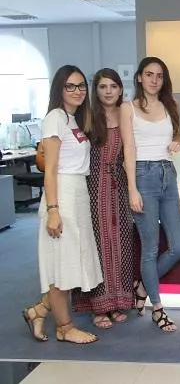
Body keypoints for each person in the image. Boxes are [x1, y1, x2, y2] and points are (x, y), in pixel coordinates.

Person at [22, 65, 102, 344]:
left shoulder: (73, 119)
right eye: (70, 86)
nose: (77, 91)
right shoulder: (55, 117)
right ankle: (65, 328)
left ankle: (39, 311)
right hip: (62, 195)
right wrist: (53, 211)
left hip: (77, 193)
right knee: (61, 264)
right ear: (60, 89)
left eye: (81, 86)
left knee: (72, 261)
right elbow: (51, 169)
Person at [120, 57, 180, 333]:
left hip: (168, 174)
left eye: (159, 75)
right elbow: (128, 149)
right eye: (149, 74)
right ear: (139, 77)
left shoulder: (172, 105)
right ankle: (158, 309)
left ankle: (142, 287)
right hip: (143, 176)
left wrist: (176, 142)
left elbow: (176, 137)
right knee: (149, 248)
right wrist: (132, 188)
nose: (154, 80)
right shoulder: (128, 108)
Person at [71, 68, 140, 329]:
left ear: (121, 89)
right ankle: (98, 307)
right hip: (93, 187)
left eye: (113, 86)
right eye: (102, 87)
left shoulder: (127, 113)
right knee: (98, 245)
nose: (108, 91)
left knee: (121, 243)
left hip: (120, 186)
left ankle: (117, 301)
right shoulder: (87, 117)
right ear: (96, 90)